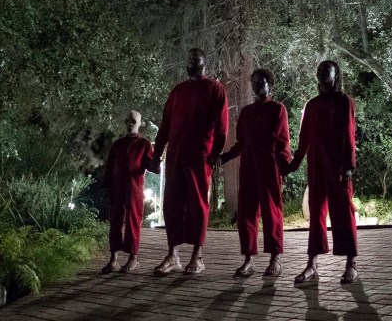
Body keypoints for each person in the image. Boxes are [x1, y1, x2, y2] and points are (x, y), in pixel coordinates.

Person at [151, 48, 229, 275]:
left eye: (195, 59)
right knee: (172, 202)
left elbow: (221, 126)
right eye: (188, 59)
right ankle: (173, 254)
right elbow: (165, 125)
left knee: (197, 203)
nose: (191, 62)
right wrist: (157, 154)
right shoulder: (178, 91)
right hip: (175, 154)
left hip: (199, 155)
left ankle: (198, 255)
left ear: (205, 62)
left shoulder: (214, 88)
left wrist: (215, 153)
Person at [288, 60, 359, 284]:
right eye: (318, 69)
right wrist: (293, 164)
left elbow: (349, 134)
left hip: (337, 165)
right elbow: (303, 139)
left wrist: (348, 165)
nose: (321, 72)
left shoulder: (343, 101)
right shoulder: (312, 104)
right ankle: (312, 264)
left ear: (336, 73)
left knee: (343, 212)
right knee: (316, 213)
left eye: (326, 69)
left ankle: (351, 263)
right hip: (316, 165)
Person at [217, 69, 291, 277]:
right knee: (246, 214)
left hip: (269, 167)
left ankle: (275, 258)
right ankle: (248, 259)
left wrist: (284, 165)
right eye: (255, 82)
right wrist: (225, 157)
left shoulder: (278, 109)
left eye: (262, 81)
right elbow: (241, 143)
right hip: (248, 168)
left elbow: (283, 142)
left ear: (270, 84)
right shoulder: (247, 112)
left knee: (271, 212)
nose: (258, 85)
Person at [101, 110, 154, 274]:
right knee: (115, 222)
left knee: (133, 221)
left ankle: (133, 258)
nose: (129, 124)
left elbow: (152, 166)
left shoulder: (144, 144)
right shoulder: (117, 145)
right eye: (127, 121)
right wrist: (107, 187)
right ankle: (113, 259)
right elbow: (109, 167)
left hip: (134, 189)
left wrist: (157, 158)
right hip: (117, 188)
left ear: (139, 123)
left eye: (133, 121)